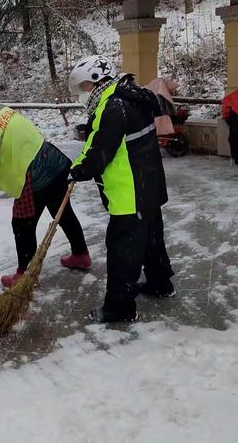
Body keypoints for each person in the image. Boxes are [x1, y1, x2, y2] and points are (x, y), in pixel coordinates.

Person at [68, 55, 175, 323]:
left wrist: (78, 172)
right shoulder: (131, 97)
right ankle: (161, 284)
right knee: (151, 238)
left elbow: (100, 152)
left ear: (95, 81)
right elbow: (99, 139)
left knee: (122, 248)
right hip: (149, 185)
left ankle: (120, 307)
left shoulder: (113, 107)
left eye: (83, 87)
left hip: (130, 191)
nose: (83, 94)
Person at [0, 93, 91, 288]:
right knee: (62, 211)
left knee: (23, 224)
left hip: (32, 174)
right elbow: (5, 141)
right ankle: (80, 254)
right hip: (51, 158)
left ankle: (25, 275)